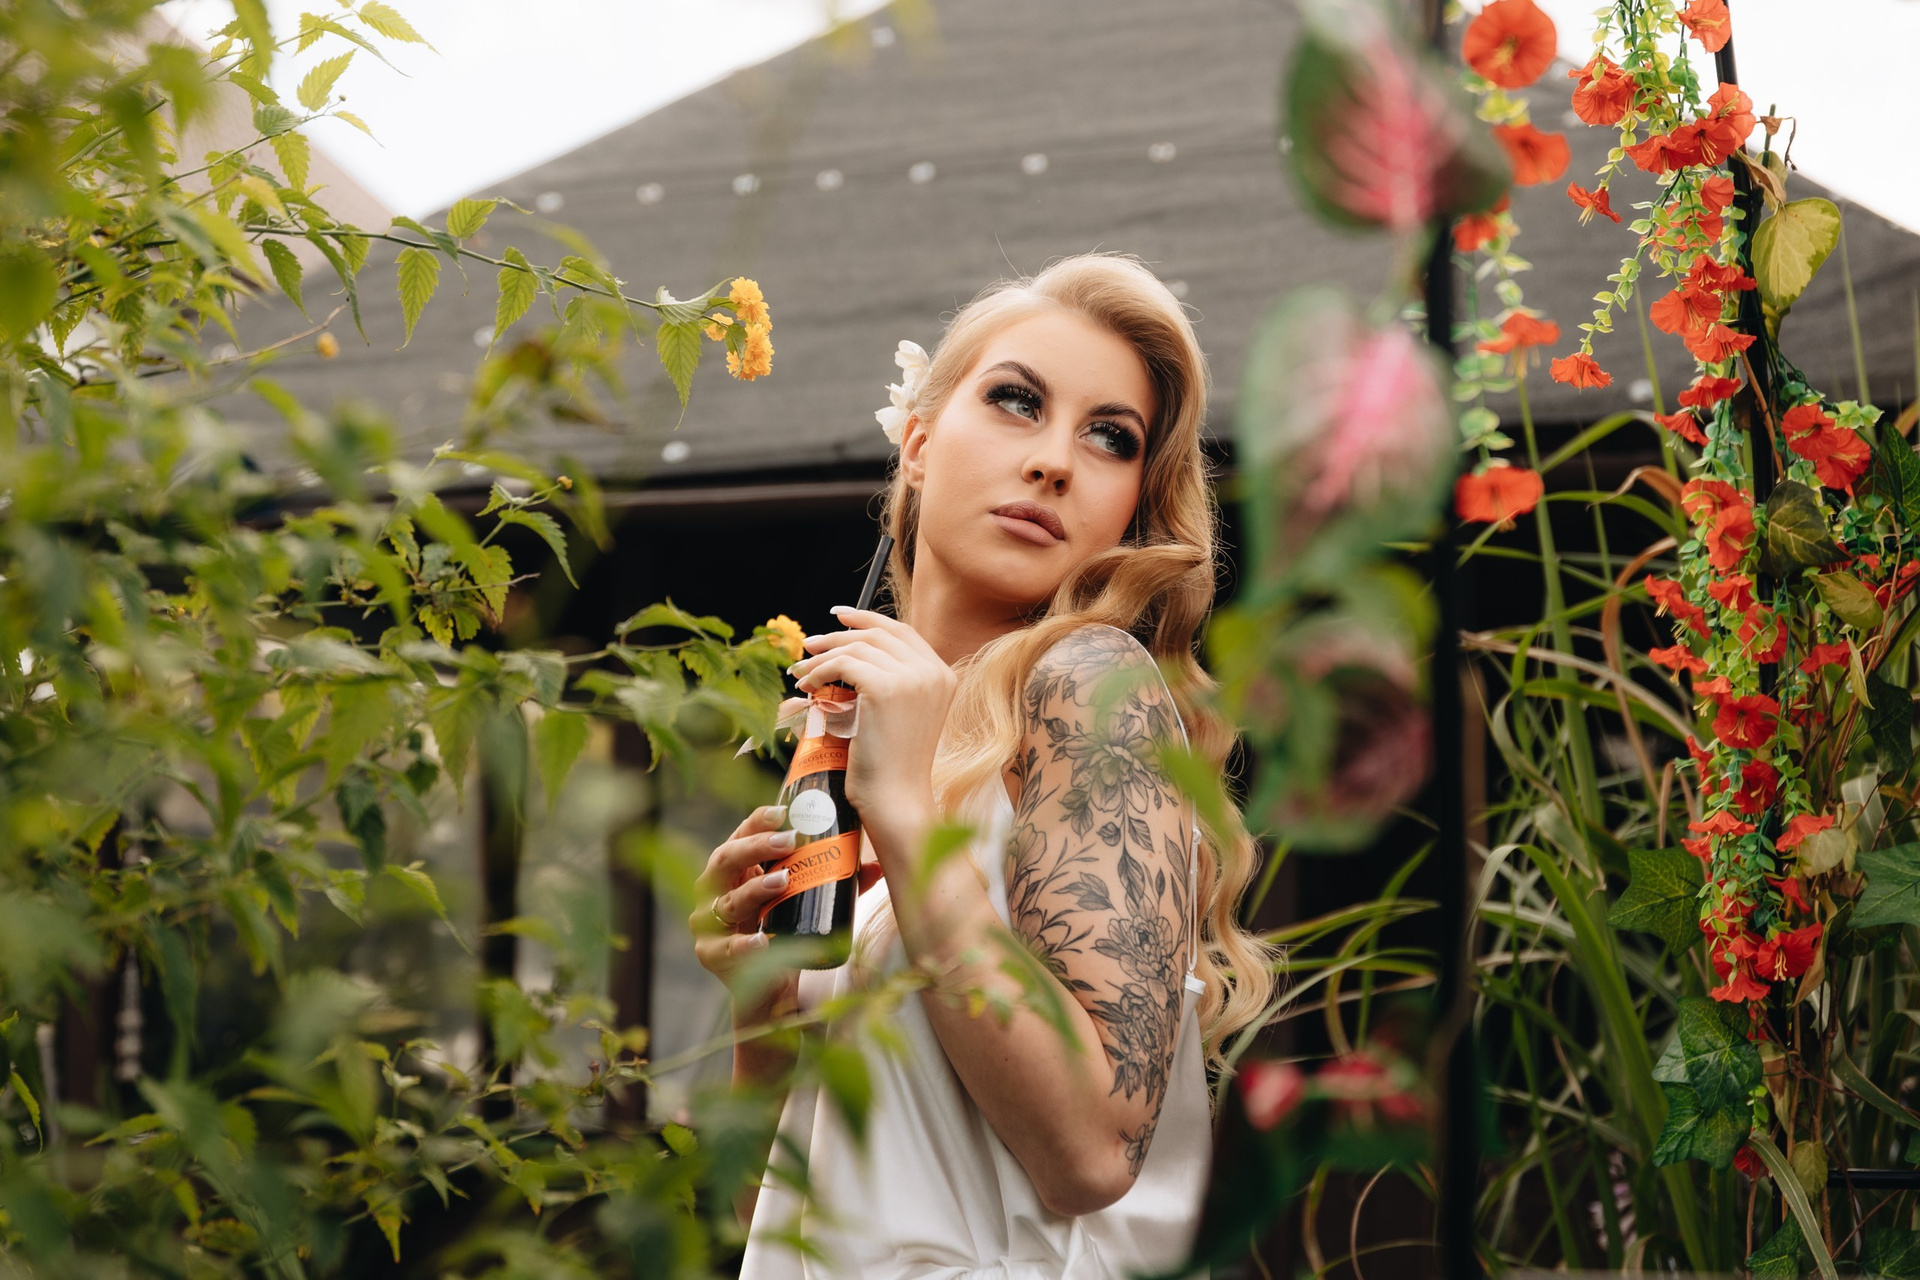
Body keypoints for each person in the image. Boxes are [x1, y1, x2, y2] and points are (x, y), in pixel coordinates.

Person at [688, 253, 1278, 1279]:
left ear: (1131, 507)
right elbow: (775, 1214)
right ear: (918, 443)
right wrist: (758, 1002)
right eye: (1017, 401)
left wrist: (906, 816)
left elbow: (1091, 1154)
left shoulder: (1091, 686)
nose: (1054, 462)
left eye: (1110, 437)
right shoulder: (856, 741)